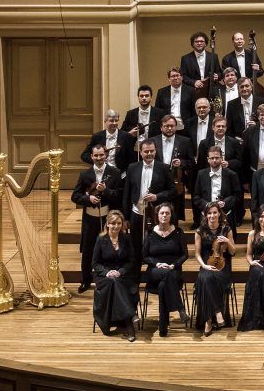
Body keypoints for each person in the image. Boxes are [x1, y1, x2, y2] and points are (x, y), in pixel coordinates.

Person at [71, 142, 121, 293]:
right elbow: (75, 196)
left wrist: (105, 191)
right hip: (90, 219)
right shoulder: (85, 174)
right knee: (88, 250)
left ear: (106, 156)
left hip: (108, 219)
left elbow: (118, 196)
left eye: (101, 155)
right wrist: (88, 200)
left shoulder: (115, 172)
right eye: (96, 155)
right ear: (91, 157)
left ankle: (106, 278)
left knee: (109, 248)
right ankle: (86, 280)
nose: (99, 158)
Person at [142, 202, 188, 338]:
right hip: (155, 271)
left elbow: (185, 254)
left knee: (163, 285)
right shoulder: (150, 233)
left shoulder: (178, 232)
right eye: (162, 213)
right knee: (166, 276)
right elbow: (144, 256)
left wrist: (173, 265)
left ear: (171, 215)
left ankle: (163, 325)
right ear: (157, 215)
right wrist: (157, 264)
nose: (164, 215)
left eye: (167, 213)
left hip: (174, 270)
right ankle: (180, 308)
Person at [90, 210, 136, 340]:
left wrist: (120, 271)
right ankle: (130, 321)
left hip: (122, 274)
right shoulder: (100, 239)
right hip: (103, 275)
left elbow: (131, 261)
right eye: (113, 223)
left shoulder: (126, 238)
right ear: (108, 224)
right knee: (113, 281)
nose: (116, 226)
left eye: (119, 223)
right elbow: (95, 263)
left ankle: (127, 321)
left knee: (116, 281)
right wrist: (107, 272)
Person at [193, 204, 235, 335]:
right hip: (206, 265)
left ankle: (208, 321)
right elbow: (197, 254)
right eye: (209, 213)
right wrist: (204, 266)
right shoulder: (200, 231)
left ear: (219, 214)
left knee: (205, 279)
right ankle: (216, 313)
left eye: (215, 213)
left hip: (222, 268)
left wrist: (228, 242)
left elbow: (233, 252)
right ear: (206, 215)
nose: (212, 215)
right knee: (205, 276)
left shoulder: (227, 229)